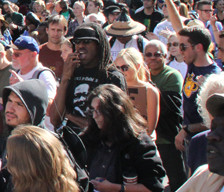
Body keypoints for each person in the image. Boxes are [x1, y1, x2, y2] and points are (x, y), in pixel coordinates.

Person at [51, 22, 126, 167]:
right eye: (77, 43)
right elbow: (55, 119)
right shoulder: (72, 72)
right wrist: (65, 78)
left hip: (103, 154)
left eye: (87, 42)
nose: (80, 46)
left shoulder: (112, 76)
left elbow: (111, 126)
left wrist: (70, 116)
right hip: (72, 151)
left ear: (100, 45)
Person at [142, 40, 186, 192]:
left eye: (157, 54)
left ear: (165, 56)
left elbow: (170, 105)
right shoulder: (139, 75)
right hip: (146, 136)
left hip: (167, 135)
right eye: (148, 55)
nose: (152, 58)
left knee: (176, 180)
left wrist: (148, 85)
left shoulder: (172, 75)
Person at [174, 25, 221, 154]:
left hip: (205, 142)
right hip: (189, 139)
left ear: (198, 47)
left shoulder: (214, 77)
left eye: (183, 47)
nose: (180, 50)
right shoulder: (192, 63)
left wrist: (187, 130)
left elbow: (217, 119)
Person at [115, 49, 159, 139]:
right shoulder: (114, 88)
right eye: (117, 68)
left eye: (125, 67)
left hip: (141, 142)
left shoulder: (150, 91)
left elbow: (150, 128)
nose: (121, 71)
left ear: (137, 66)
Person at [38, 15, 68, 80]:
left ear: (65, 31)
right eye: (53, 29)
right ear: (47, 30)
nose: (55, 34)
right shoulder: (38, 52)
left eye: (59, 30)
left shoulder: (69, 54)